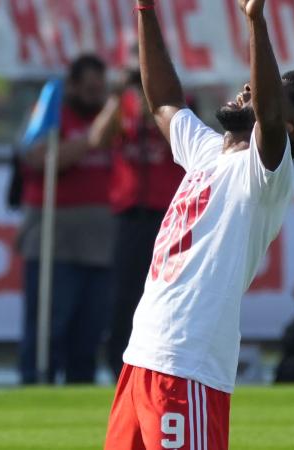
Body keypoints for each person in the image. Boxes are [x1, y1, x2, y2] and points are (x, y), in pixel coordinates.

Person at [106, 0, 294, 448]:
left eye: (268, 88)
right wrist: (146, 10)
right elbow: (166, 102)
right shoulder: (207, 153)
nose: (249, 85)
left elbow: (267, 115)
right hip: (142, 359)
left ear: (286, 127)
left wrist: (256, 20)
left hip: (187, 367)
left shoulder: (266, 175)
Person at [17, 54, 115, 385]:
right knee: (48, 327)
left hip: (99, 244)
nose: (95, 97)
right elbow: (37, 159)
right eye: (88, 89)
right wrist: (90, 138)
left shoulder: (111, 119)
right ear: (72, 86)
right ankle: (36, 382)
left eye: (100, 90)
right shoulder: (51, 114)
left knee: (89, 333)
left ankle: (80, 387)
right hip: (55, 242)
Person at [89, 71, 187, 380]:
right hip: (130, 215)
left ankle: (165, 365)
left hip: (167, 216)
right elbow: (97, 139)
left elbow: (182, 144)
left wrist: (155, 110)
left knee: (168, 293)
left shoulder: (175, 105)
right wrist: (117, 98)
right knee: (124, 295)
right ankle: (119, 365)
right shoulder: (122, 107)